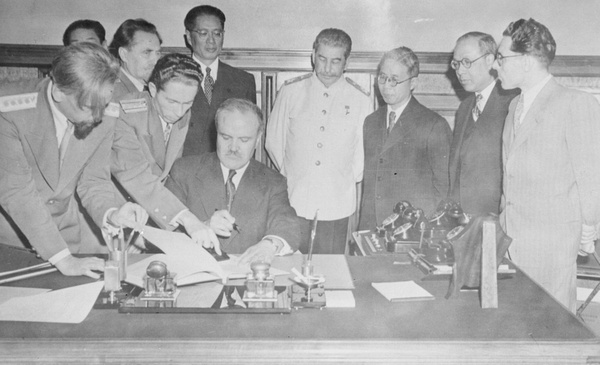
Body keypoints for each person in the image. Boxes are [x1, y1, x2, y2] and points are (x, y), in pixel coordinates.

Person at [0, 43, 148, 278]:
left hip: (66, 240)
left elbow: (94, 181)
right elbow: (17, 193)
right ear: (59, 92)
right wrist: (63, 259)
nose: (98, 118)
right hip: (11, 243)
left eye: (104, 105)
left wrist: (111, 214)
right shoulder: (8, 111)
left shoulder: (102, 111)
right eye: (90, 108)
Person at [494, 18, 600, 312]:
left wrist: (588, 230)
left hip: (550, 249)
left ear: (526, 61)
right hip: (510, 243)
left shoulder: (575, 104)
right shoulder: (514, 106)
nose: (495, 65)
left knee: (548, 333)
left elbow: (592, 178)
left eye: (501, 58)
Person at [266, 28, 372, 254]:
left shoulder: (360, 99)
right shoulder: (291, 91)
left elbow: (362, 153)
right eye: (322, 59)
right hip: (295, 196)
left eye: (335, 61)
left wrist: (340, 181)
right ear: (313, 56)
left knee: (330, 269)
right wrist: (292, 174)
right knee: (290, 263)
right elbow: (274, 141)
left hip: (336, 201)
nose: (327, 68)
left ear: (346, 62)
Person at [166, 98, 304, 264]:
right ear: (215, 133)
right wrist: (202, 225)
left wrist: (269, 245)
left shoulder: (273, 182)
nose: (233, 147)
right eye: (226, 137)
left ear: (258, 139)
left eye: (244, 140)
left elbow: (287, 225)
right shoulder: (184, 170)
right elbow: (162, 231)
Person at [110, 53, 219, 251]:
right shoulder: (124, 113)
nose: (179, 112)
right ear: (152, 89)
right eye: (172, 102)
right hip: (118, 213)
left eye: (188, 103)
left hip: (152, 212)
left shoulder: (181, 110)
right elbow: (136, 176)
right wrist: (187, 219)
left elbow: (165, 175)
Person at [358, 47, 451, 230]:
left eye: (394, 80)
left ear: (413, 82)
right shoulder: (371, 122)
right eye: (382, 78)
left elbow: (443, 189)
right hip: (372, 229)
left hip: (410, 231)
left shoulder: (434, 125)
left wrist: (423, 229)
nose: (386, 86)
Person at [448, 32, 519, 216]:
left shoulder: (513, 102)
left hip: (496, 221)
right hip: (462, 221)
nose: (460, 71)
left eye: (467, 62)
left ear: (489, 60)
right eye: (456, 64)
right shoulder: (464, 107)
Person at [182, 5, 256, 156]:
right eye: (203, 33)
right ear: (189, 37)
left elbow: (250, 135)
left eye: (217, 34)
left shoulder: (243, 80)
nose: (211, 41)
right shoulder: (174, 76)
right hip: (184, 169)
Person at [109, 19, 162, 99]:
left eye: (157, 53)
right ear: (124, 55)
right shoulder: (111, 92)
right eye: (146, 53)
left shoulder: (157, 87)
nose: (156, 61)